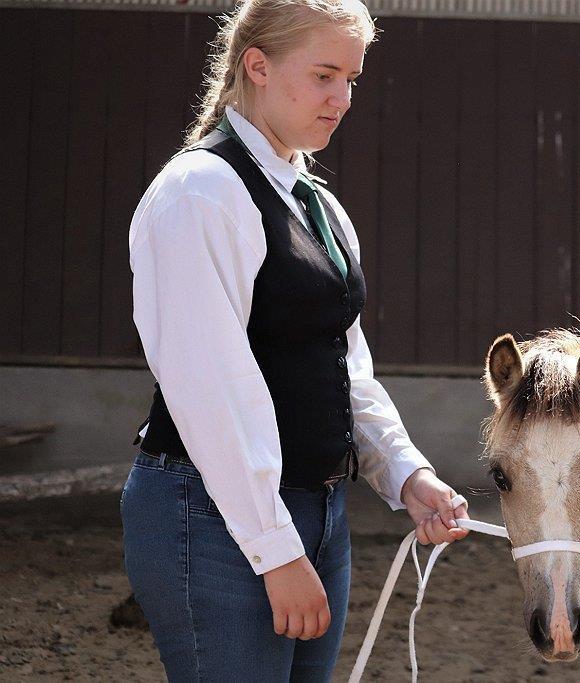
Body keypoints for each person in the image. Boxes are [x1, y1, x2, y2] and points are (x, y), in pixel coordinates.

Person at [118, 1, 469, 679]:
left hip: (316, 513)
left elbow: (346, 367)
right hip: (212, 519)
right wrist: (275, 549)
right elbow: (210, 389)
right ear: (258, 66)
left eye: (353, 80)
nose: (342, 99)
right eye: (325, 75)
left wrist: (406, 473)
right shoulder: (199, 195)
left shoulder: (317, 202)